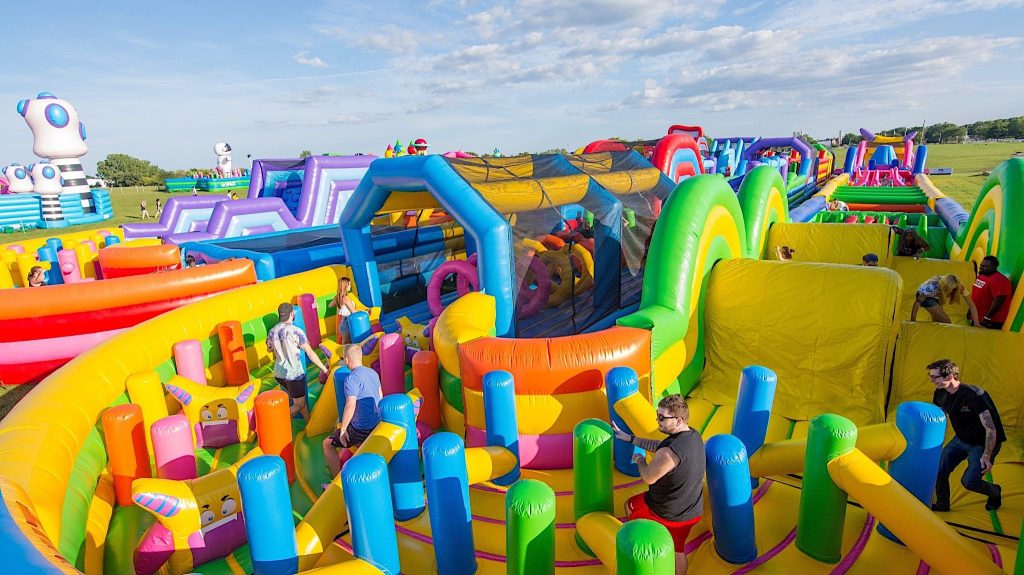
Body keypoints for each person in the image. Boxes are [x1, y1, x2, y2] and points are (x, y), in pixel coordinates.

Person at [613, 395, 704, 575]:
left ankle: (642, 548)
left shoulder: (668, 454)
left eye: (662, 418)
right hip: (692, 509)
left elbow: (648, 477)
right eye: (657, 415)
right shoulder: (692, 435)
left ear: (678, 420)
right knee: (677, 546)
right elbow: (660, 446)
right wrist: (630, 439)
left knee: (630, 507)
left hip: (671, 515)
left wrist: (640, 460)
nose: (657, 420)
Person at [929, 359, 1006, 512]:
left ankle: (995, 492)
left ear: (950, 376)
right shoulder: (940, 393)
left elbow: (991, 429)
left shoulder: (975, 395)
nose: (932, 381)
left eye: (935, 377)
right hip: (961, 439)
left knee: (969, 482)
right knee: (939, 470)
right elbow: (938, 417)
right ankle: (943, 503)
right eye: (930, 377)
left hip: (983, 444)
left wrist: (986, 455)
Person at [322, 344, 382, 478]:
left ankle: (337, 480)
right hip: (376, 423)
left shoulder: (351, 378)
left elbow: (350, 405)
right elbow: (380, 396)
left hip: (361, 429)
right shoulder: (373, 373)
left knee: (327, 444)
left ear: (347, 359)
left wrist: (343, 429)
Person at [266, 302, 328, 420]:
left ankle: (308, 422)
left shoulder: (273, 330)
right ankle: (274, 421)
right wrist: (324, 369)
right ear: (292, 314)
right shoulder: (295, 331)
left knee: (300, 401)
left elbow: (269, 349)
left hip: (280, 373)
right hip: (294, 375)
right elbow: (310, 352)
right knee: (298, 404)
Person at [911, 274, 980, 325]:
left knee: (938, 322)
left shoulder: (959, 287)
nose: (952, 292)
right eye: (950, 290)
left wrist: (976, 323)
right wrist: (913, 320)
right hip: (926, 296)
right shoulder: (931, 287)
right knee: (946, 322)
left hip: (937, 296)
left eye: (953, 290)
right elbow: (917, 302)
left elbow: (971, 304)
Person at [971, 256, 1012, 329]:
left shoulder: (1000, 280)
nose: (981, 267)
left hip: (989, 322)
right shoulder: (981, 276)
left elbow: (999, 300)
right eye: (981, 265)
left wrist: (987, 318)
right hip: (977, 318)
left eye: (985, 266)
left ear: (993, 267)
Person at [327, 277, 357, 344]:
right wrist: (365, 313)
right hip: (347, 322)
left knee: (343, 342)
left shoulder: (338, 297)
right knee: (347, 343)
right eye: (349, 284)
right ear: (345, 286)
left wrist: (339, 305)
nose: (350, 286)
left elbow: (330, 305)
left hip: (341, 322)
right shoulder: (346, 298)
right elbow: (354, 312)